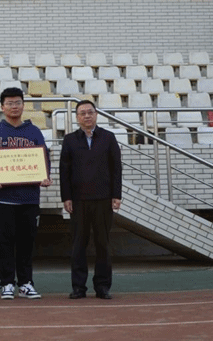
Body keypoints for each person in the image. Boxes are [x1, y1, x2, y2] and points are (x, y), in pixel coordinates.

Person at [0, 87, 52, 300]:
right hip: (4, 199)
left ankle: (26, 283)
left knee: (27, 243)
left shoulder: (34, 132)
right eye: (9, 103)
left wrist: (45, 175)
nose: (14, 106)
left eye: (17, 102)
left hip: (29, 198)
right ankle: (7, 283)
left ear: (23, 105)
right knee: (5, 242)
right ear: (2, 107)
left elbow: (44, 158)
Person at [59, 100, 122, 300]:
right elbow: (64, 171)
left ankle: (102, 286)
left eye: (90, 112)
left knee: (103, 243)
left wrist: (116, 194)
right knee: (79, 244)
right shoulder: (70, 140)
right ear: (77, 117)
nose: (87, 116)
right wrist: (66, 197)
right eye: (82, 113)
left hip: (103, 198)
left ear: (96, 115)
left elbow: (116, 168)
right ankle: (79, 287)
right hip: (78, 200)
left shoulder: (108, 138)